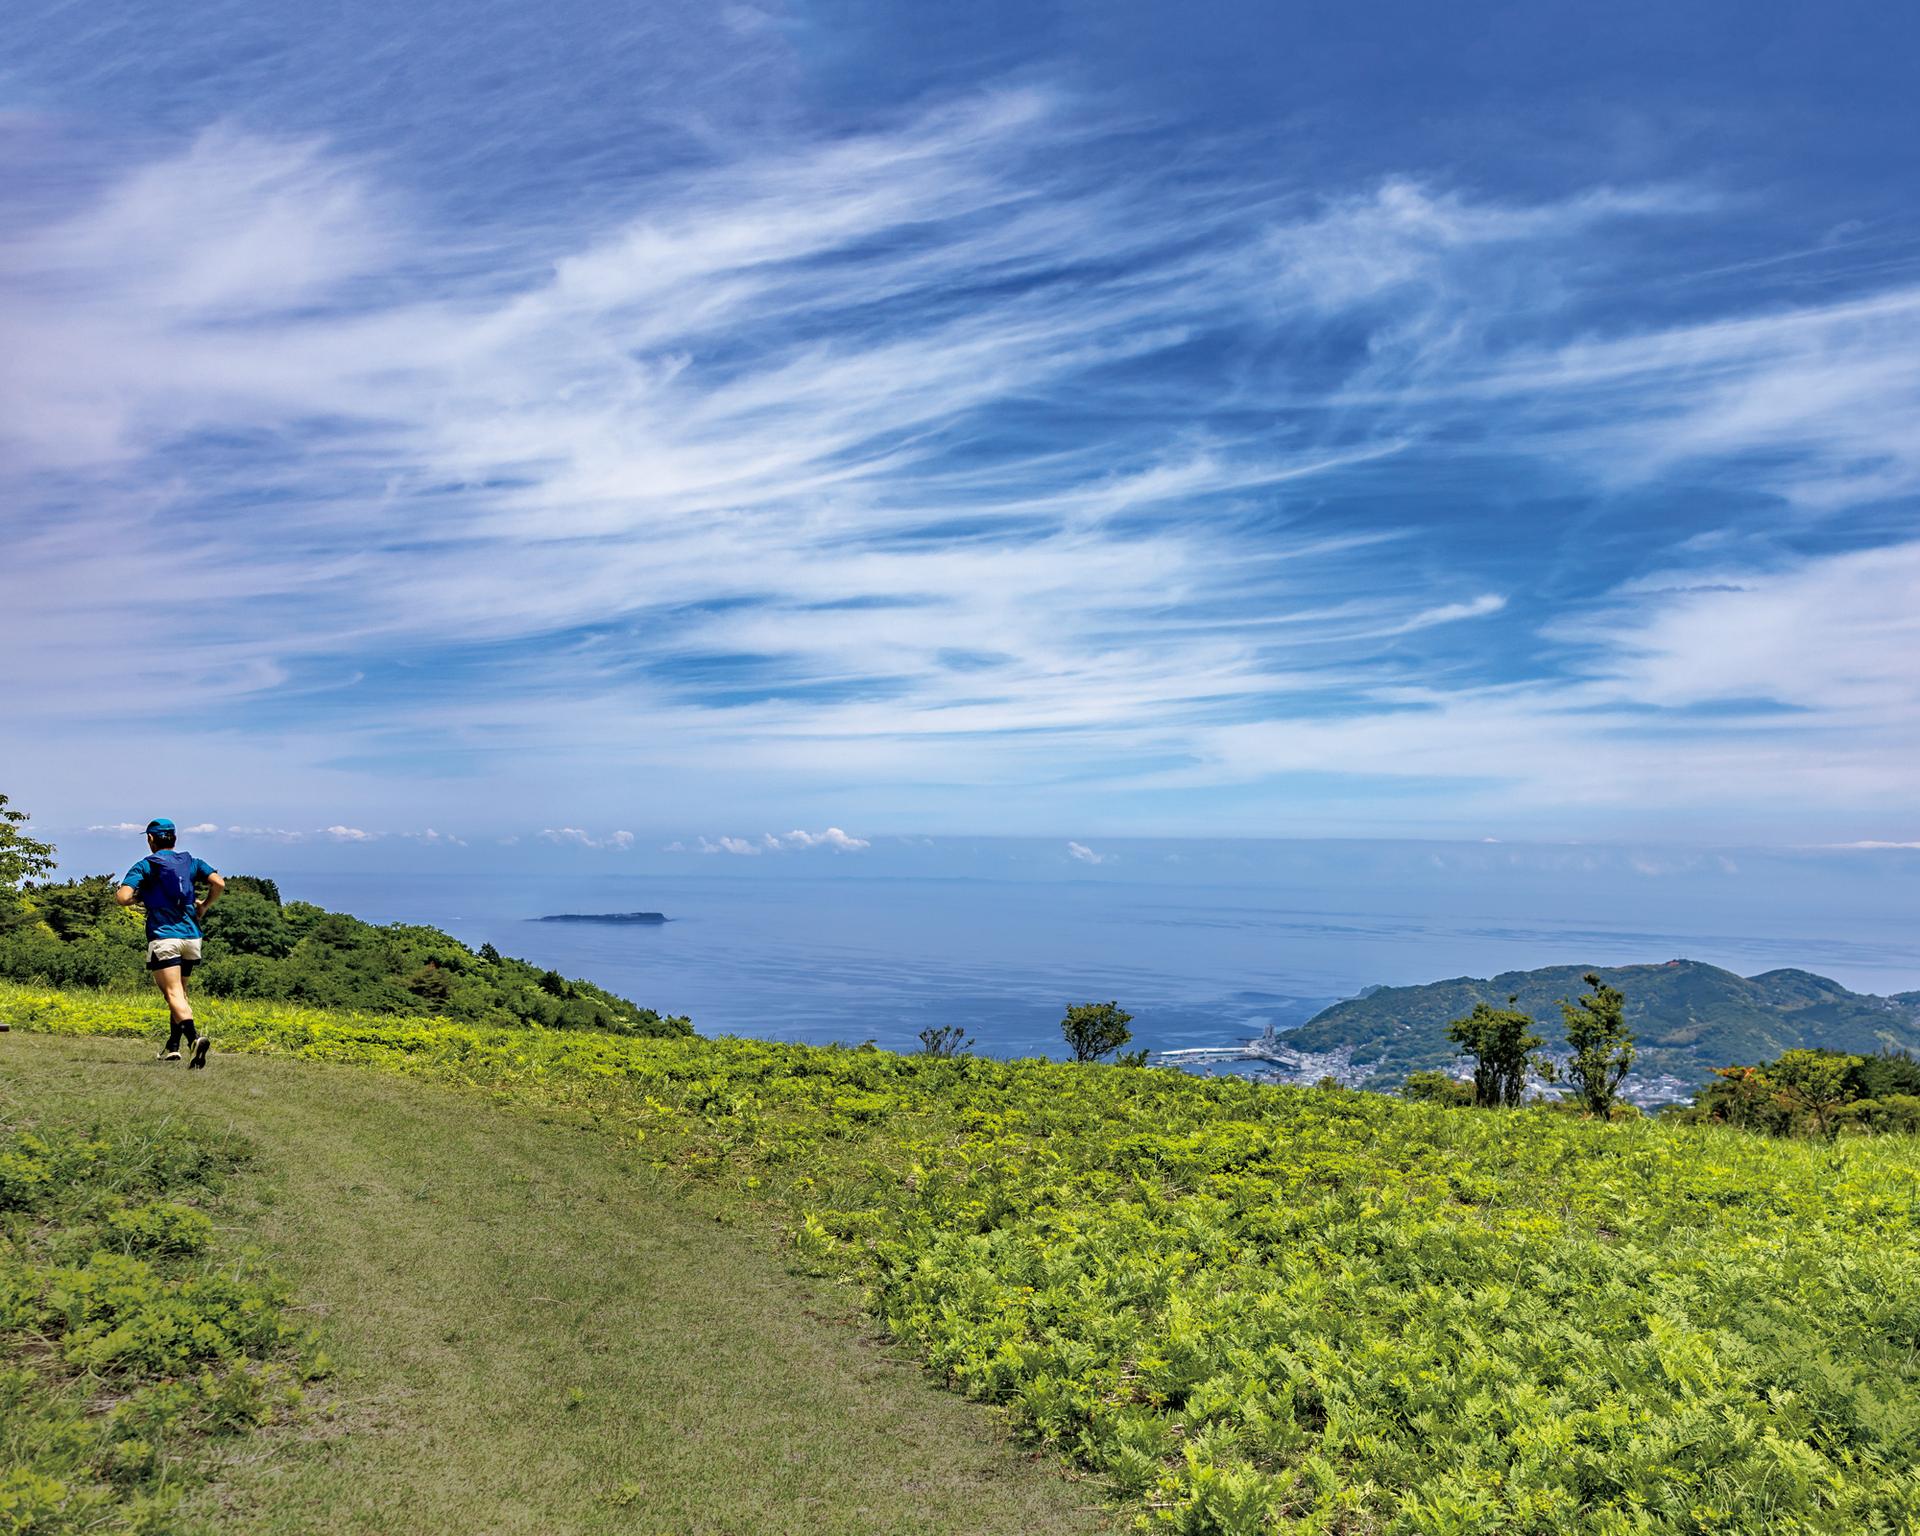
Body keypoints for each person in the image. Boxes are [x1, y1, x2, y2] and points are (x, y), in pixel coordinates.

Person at [115, 818, 224, 1067]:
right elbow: (218, 882)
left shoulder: (146, 865)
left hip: (164, 937)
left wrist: (136, 899)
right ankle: (173, 1047)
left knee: (172, 994)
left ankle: (194, 1039)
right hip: (191, 936)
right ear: (174, 838)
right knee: (180, 995)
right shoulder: (192, 862)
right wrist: (205, 906)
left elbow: (122, 897)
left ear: (150, 839)